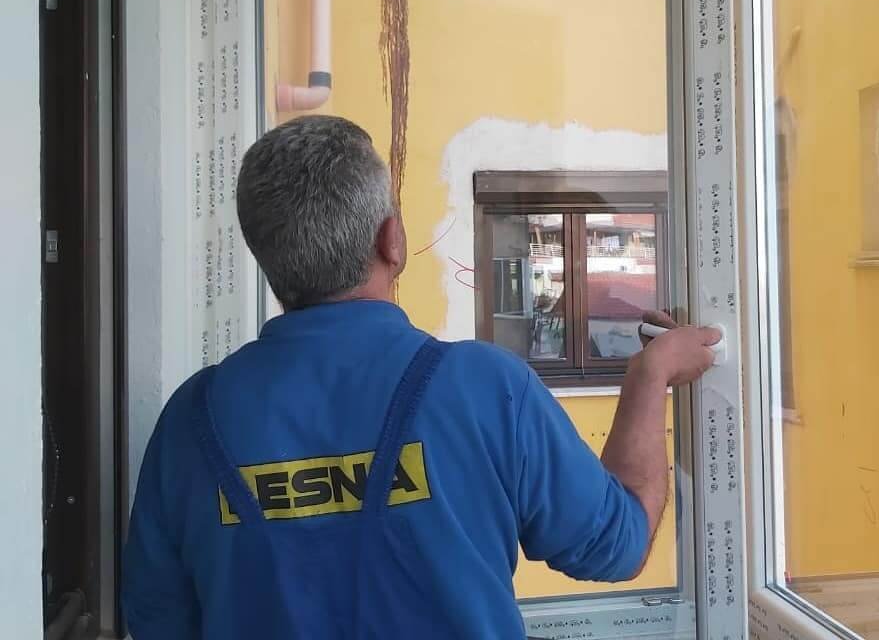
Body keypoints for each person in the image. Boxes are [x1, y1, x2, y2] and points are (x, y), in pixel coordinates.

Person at [122, 116, 720, 639]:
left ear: (267, 257)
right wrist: (650, 376)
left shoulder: (191, 420)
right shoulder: (485, 389)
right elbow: (619, 544)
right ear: (393, 239)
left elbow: (158, 620)